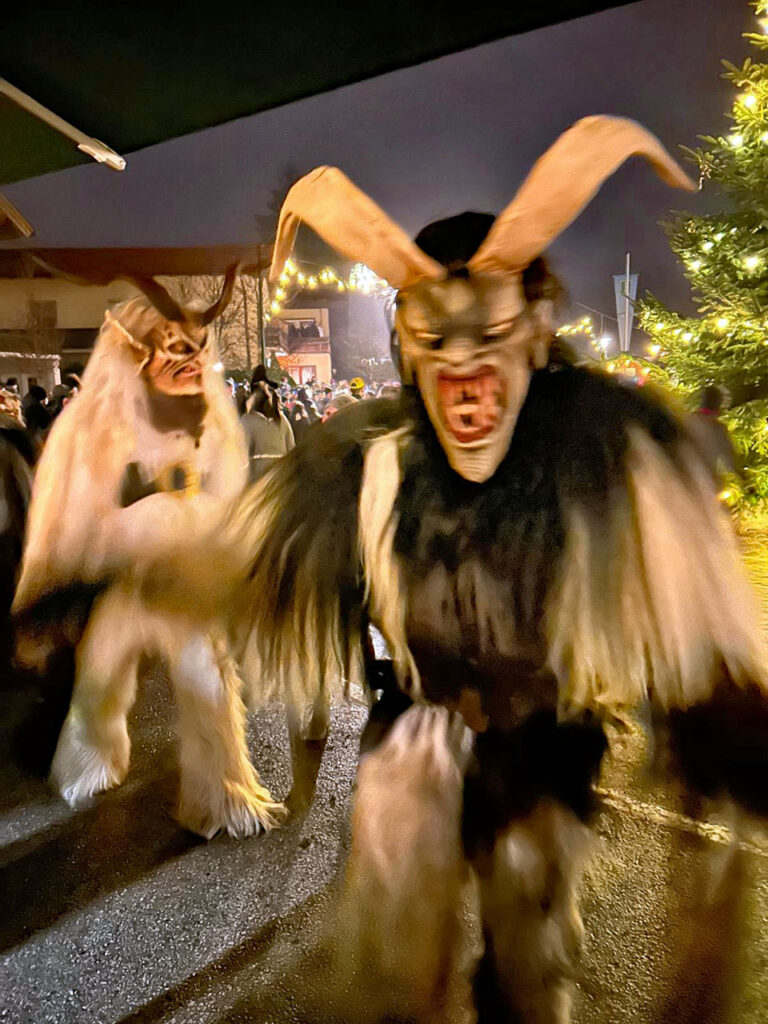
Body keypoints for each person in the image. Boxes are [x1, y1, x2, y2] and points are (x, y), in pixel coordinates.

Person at [13, 271, 283, 839]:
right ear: (137, 355)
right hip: (129, 579)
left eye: (198, 352)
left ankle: (220, 796)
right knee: (99, 678)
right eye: (176, 351)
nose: (192, 365)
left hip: (187, 576)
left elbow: (226, 489)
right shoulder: (99, 426)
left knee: (206, 678)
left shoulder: (211, 419)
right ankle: (87, 766)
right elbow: (79, 513)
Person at [241, 364, 295, 481]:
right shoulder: (282, 420)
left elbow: (241, 455)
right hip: (281, 477)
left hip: (259, 478)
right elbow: (291, 450)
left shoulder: (247, 421)